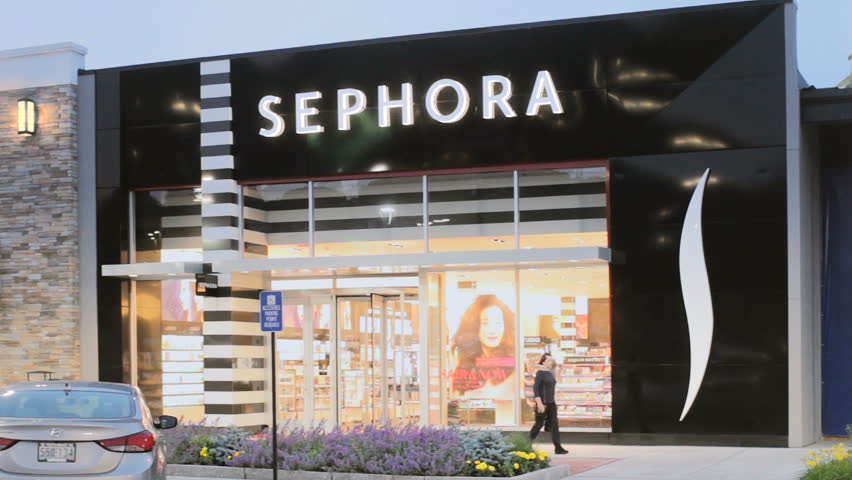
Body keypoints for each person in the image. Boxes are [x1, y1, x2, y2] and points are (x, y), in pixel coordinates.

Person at [450, 294, 516, 398]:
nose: (492, 330)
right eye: (485, 323)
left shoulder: (513, 363)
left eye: (498, 323)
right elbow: (456, 396)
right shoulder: (463, 361)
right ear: (475, 326)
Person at [529, 353, 568, 454]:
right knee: (538, 425)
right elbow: (536, 389)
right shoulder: (540, 373)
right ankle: (526, 444)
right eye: (549, 360)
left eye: (551, 360)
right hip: (543, 403)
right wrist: (539, 404)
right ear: (543, 362)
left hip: (551, 403)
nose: (551, 362)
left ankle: (558, 448)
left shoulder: (549, 373)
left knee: (555, 425)